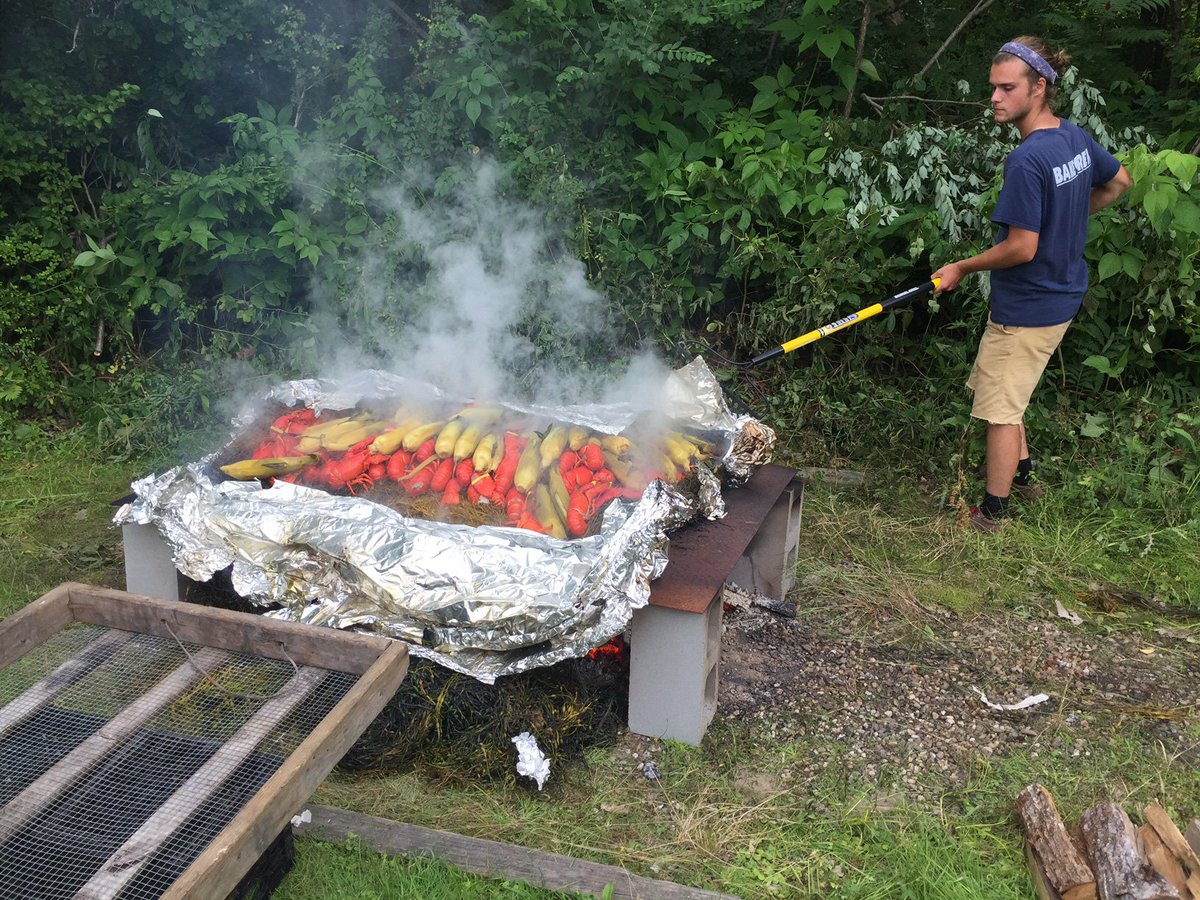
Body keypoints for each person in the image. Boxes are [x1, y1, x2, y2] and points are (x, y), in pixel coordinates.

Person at [931, 35, 1132, 532]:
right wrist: (1065, 218)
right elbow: (1120, 182)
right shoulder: (1073, 137)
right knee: (1008, 390)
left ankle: (992, 514)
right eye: (993, 88)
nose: (994, 98)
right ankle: (1024, 480)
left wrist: (961, 266)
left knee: (1000, 409)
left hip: (1029, 304)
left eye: (1007, 88)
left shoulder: (1026, 159)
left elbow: (1021, 248)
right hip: (1062, 293)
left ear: (1039, 87)